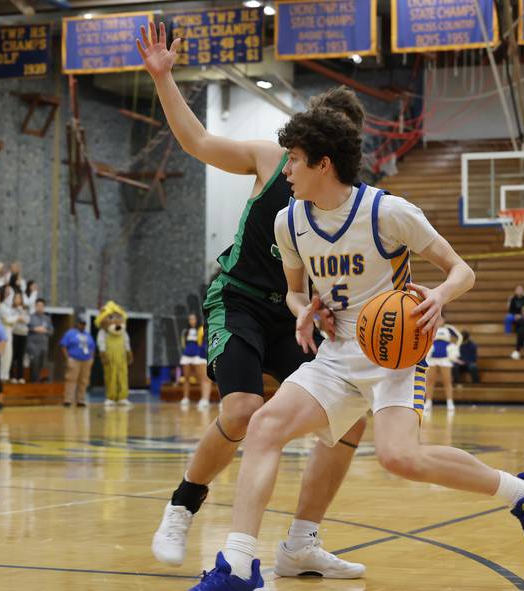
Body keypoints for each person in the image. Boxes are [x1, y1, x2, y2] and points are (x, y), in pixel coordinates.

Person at [187, 92, 524, 591]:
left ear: (323, 164)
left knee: (400, 458)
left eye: (295, 161)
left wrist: (441, 296)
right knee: (264, 427)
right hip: (339, 352)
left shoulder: (389, 213)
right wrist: (304, 314)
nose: (286, 172)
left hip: (396, 355)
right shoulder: (289, 220)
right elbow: (296, 294)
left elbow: (462, 270)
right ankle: (237, 566)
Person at [138, 22, 367, 576]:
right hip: (237, 298)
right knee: (242, 409)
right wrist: (163, 78)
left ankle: (300, 543)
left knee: (351, 419)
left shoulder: (349, 198)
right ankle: (183, 504)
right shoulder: (271, 161)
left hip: (294, 312)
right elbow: (196, 142)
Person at [60, 316, 96, 407]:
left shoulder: (88, 335)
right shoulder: (70, 333)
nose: (82, 326)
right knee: (71, 379)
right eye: (81, 323)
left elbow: (92, 347)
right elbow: (63, 345)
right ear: (77, 324)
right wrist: (68, 358)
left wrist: (91, 357)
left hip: (86, 360)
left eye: (84, 324)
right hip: (74, 359)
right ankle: (68, 399)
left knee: (84, 380)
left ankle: (81, 400)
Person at [424, 322, 460, 412]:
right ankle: (428, 402)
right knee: (430, 381)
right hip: (432, 357)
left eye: (441, 318)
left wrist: (454, 348)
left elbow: (459, 337)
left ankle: (450, 402)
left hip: (445, 358)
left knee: (447, 380)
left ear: (443, 319)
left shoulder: (449, 328)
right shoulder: (431, 326)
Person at [179, 313, 212, 410]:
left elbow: (202, 343)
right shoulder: (185, 331)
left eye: (193, 319)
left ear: (197, 320)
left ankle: (204, 398)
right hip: (186, 355)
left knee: (202, 378)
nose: (192, 321)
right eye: (190, 319)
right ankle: (185, 398)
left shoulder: (201, 329)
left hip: (198, 356)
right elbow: (183, 343)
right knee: (186, 378)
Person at [27, 298, 54, 383]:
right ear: (35, 306)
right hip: (33, 345)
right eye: (38, 305)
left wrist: (45, 330)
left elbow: (51, 331)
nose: (40, 307)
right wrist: (35, 329)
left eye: (42, 306)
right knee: (34, 362)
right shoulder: (30, 317)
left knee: (42, 363)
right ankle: (33, 382)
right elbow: (26, 328)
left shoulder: (47, 318)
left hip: (44, 345)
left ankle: (38, 380)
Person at [10, 292, 30, 383]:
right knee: (13, 355)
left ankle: (20, 376)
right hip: (14, 333)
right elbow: (12, 320)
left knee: (21, 356)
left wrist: (21, 313)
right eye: (16, 298)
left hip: (23, 334)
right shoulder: (11, 309)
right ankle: (12, 376)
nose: (18, 300)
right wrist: (18, 318)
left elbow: (27, 320)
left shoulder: (25, 309)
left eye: (19, 298)